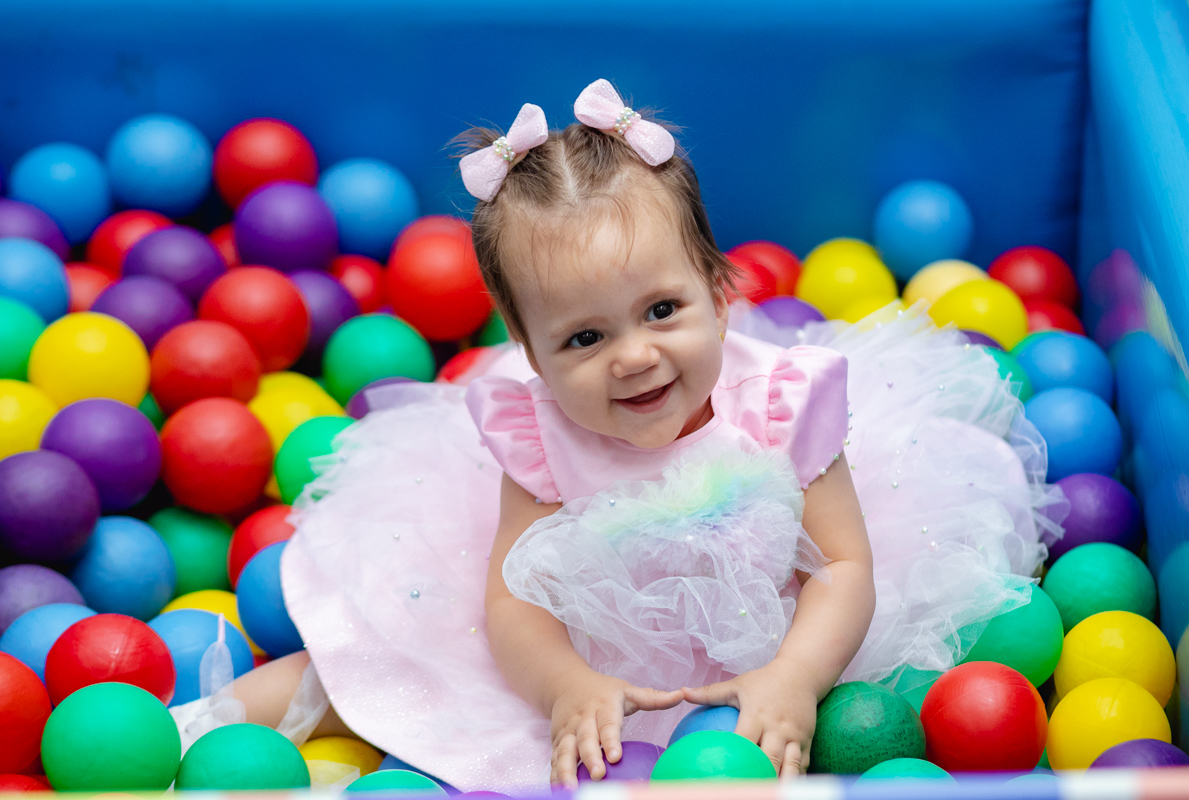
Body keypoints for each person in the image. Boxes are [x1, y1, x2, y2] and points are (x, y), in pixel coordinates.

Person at [174, 79, 1064, 794]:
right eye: (584, 339)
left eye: (662, 311)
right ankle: (200, 732)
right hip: (587, 649)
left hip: (775, 631)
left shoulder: (786, 407)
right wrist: (565, 684)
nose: (634, 358)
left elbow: (842, 567)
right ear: (529, 355)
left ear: (720, 291)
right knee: (390, 663)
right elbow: (513, 604)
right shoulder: (537, 435)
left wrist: (795, 675)